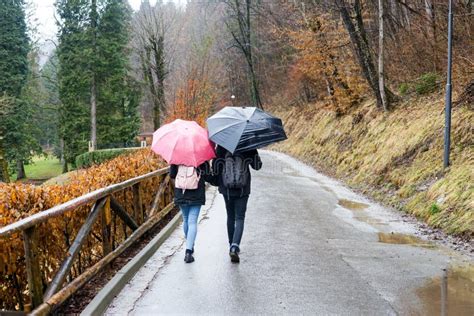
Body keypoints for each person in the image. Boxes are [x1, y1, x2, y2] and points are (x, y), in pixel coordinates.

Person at [212, 145, 262, 263]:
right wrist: (254, 155)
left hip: (226, 189)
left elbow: (215, 168)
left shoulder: (222, 145)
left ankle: (231, 245)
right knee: (240, 218)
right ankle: (235, 246)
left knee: (230, 216)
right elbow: (257, 166)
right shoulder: (247, 144)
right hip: (243, 189)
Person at [170, 162, 214, 263]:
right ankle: (189, 251)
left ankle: (189, 245)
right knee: (192, 221)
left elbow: (172, 175)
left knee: (186, 219)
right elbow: (208, 176)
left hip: (181, 192)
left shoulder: (176, 157)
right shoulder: (200, 157)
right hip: (196, 193)